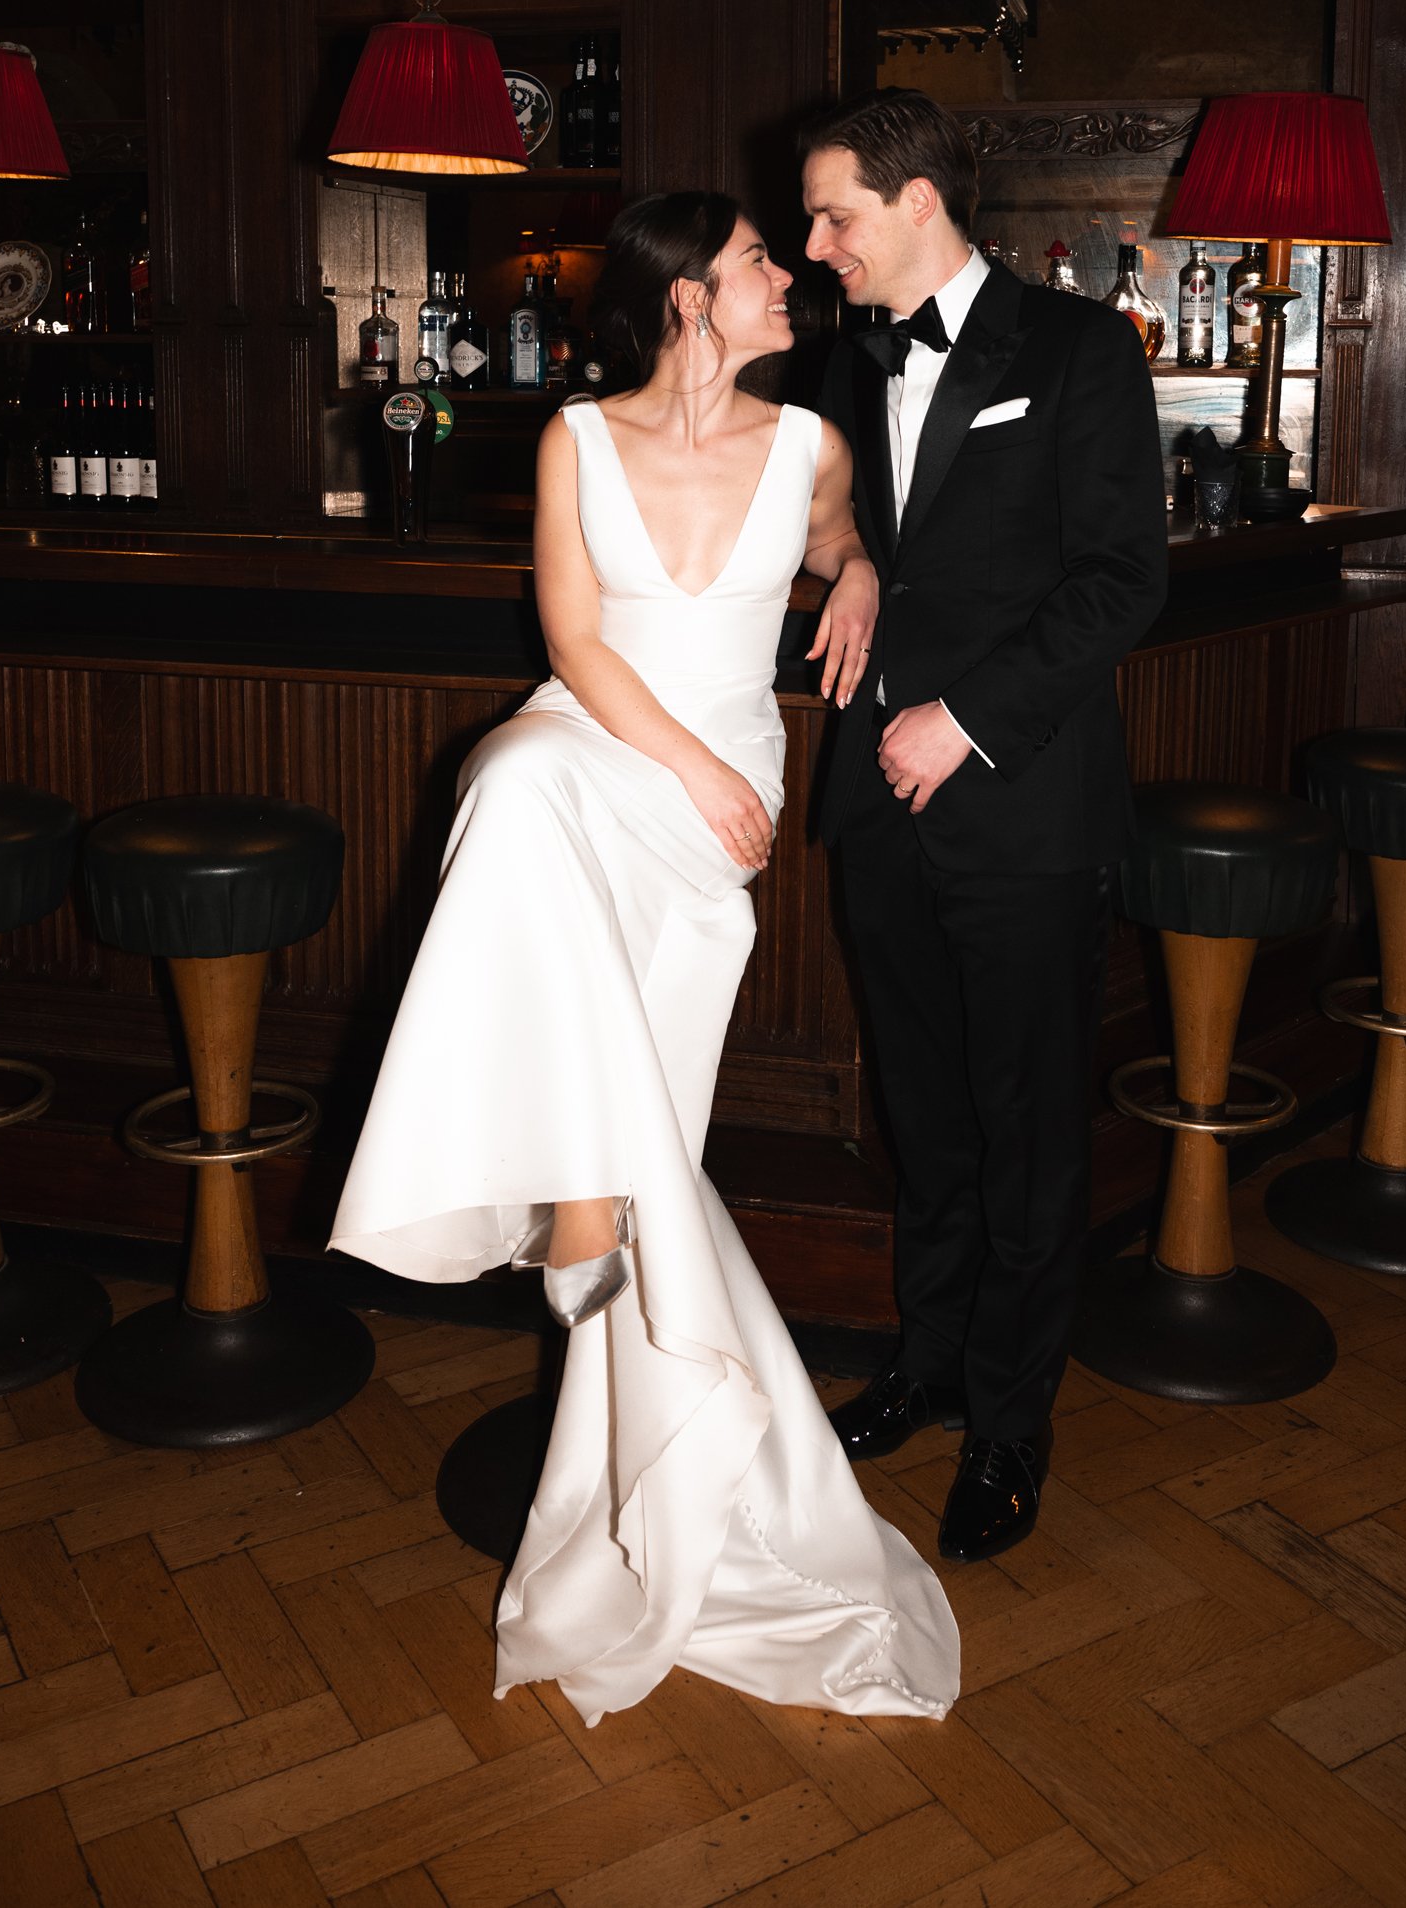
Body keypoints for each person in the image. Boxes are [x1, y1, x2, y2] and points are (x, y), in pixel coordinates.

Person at [330, 191, 958, 1728]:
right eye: (758, 263)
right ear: (690, 298)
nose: (788, 279)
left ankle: (640, 1412)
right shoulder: (574, 441)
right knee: (515, 782)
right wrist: (685, 766)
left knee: (653, 1118)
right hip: (614, 742)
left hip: (715, 793)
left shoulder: (810, 441)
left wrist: (861, 576)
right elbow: (575, 634)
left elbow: (841, 544)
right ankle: (575, 1201)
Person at [804, 90, 1168, 1562]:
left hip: (1020, 807)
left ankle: (1013, 1425)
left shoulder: (1077, 350)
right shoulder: (847, 353)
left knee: (1027, 1135)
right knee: (926, 1113)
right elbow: (832, 518)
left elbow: (1119, 581)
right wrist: (848, 570)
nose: (820, 242)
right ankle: (931, 1360)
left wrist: (966, 719)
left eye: (835, 213)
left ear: (918, 206)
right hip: (881, 816)